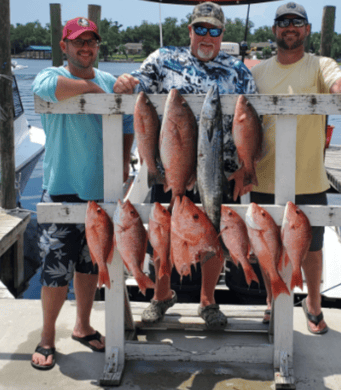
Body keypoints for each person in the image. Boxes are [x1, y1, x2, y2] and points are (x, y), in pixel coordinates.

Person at [114, 2, 257, 329]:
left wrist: (247, 169)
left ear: (222, 34)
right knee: (163, 234)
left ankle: (208, 301)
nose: (207, 36)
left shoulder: (238, 70)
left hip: (220, 172)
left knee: (213, 236)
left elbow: (253, 122)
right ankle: (160, 295)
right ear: (190, 30)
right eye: (201, 28)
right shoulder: (163, 59)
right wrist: (124, 83)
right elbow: (137, 86)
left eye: (215, 30)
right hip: (170, 168)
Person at [250, 2, 341, 334]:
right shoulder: (257, 72)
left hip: (311, 177)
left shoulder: (320, 64)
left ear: (308, 29)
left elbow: (337, 82)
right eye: (283, 22)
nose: (290, 27)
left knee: (312, 248)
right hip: (264, 176)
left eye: (297, 22)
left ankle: (313, 304)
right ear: (274, 30)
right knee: (267, 246)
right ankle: (273, 300)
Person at [31, 17, 134, 370]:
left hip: (101, 193)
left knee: (92, 265)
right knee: (55, 268)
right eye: (78, 42)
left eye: (91, 42)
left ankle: (83, 326)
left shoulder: (111, 82)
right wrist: (91, 90)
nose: (85, 48)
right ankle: (47, 338)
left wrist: (123, 162)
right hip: (60, 190)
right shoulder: (49, 76)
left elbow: (128, 123)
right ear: (64, 46)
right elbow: (48, 91)